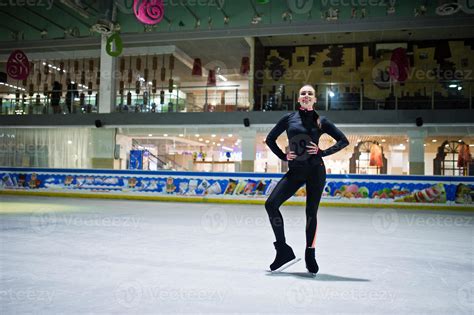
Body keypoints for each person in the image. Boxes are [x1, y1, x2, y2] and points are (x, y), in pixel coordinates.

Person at [264, 84, 349, 274]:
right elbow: (270, 139)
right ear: (298, 98)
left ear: (314, 99)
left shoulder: (321, 121)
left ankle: (310, 253)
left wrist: (323, 152)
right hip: (295, 171)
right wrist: (283, 156)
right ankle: (283, 250)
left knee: (311, 212)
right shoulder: (288, 119)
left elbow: (343, 140)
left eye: (310, 93)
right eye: (303, 93)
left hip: (315, 170)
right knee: (271, 204)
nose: (306, 95)